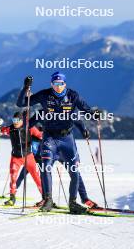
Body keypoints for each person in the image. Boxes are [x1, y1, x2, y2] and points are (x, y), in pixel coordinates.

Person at [17, 72, 98, 214]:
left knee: (74, 172)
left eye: (61, 84)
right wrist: (25, 88)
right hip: (49, 139)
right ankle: (48, 200)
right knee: (46, 168)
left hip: (67, 139)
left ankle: (74, 202)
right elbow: (21, 103)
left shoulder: (73, 96)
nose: (58, 87)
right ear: (51, 84)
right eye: (55, 84)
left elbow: (83, 112)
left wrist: (93, 117)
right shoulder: (44, 95)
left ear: (65, 84)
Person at [16, 110, 98, 208]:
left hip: (65, 148)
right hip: (50, 148)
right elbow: (27, 126)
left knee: (74, 172)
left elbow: (78, 121)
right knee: (45, 171)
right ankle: (46, 199)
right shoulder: (42, 112)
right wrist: (25, 119)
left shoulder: (67, 111)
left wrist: (84, 130)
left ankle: (84, 199)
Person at [0, 111, 43, 206]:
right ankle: (12, 199)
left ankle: (45, 198)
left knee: (37, 177)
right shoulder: (10, 129)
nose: (15, 122)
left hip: (29, 157)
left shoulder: (29, 127)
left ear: (22, 120)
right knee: (13, 178)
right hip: (15, 158)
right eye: (13, 120)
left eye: (17, 120)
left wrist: (44, 132)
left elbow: (41, 136)